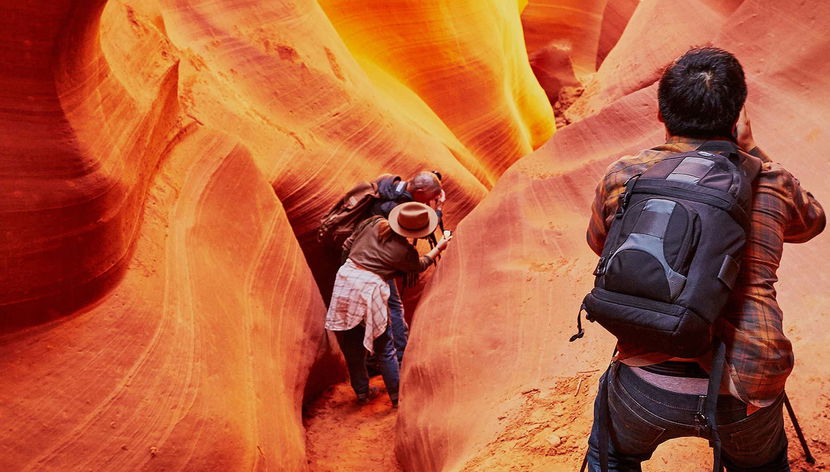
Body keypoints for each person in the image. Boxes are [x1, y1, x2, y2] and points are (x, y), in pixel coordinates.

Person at [584, 47, 825, 471]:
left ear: (661, 112)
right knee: (763, 464)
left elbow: (600, 245)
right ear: (738, 117)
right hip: (748, 384)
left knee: (610, 455)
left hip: (646, 376)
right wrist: (755, 151)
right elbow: (812, 224)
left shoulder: (625, 176)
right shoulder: (773, 181)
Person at [325, 202, 452, 407]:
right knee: (385, 346)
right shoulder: (404, 252)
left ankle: (362, 393)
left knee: (351, 343)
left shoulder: (373, 222)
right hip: (369, 289)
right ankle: (396, 396)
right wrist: (439, 247)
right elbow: (419, 265)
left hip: (345, 281)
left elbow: (348, 245)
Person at [367, 170, 445, 365]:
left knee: (383, 308)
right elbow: (423, 226)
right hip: (379, 262)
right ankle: (400, 357)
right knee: (393, 307)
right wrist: (439, 208)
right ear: (419, 190)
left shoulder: (391, 186)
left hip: (367, 254)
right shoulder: (400, 206)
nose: (430, 201)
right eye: (430, 197)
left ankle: (378, 358)